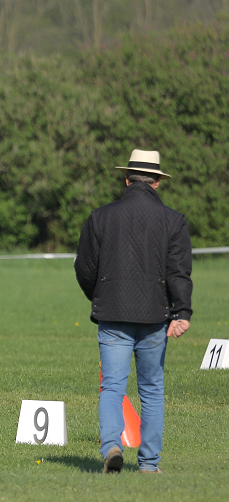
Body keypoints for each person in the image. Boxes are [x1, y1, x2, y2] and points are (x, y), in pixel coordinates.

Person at [75, 149, 192, 474]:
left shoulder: (101, 216)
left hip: (112, 313)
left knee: (112, 386)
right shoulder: (173, 220)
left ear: (127, 179)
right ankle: (149, 464)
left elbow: (84, 268)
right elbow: (178, 271)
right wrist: (182, 312)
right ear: (157, 182)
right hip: (156, 316)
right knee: (152, 389)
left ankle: (112, 446)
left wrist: (99, 296)